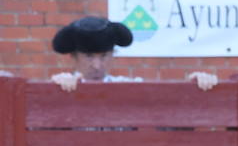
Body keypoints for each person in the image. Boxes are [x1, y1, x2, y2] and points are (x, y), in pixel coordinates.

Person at [49, 16, 217, 93]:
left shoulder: (130, 87)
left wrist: (196, 86)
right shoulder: (63, 85)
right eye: (89, 57)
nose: (97, 66)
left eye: (104, 56)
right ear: (73, 57)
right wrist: (55, 91)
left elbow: (172, 106)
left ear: (113, 55)